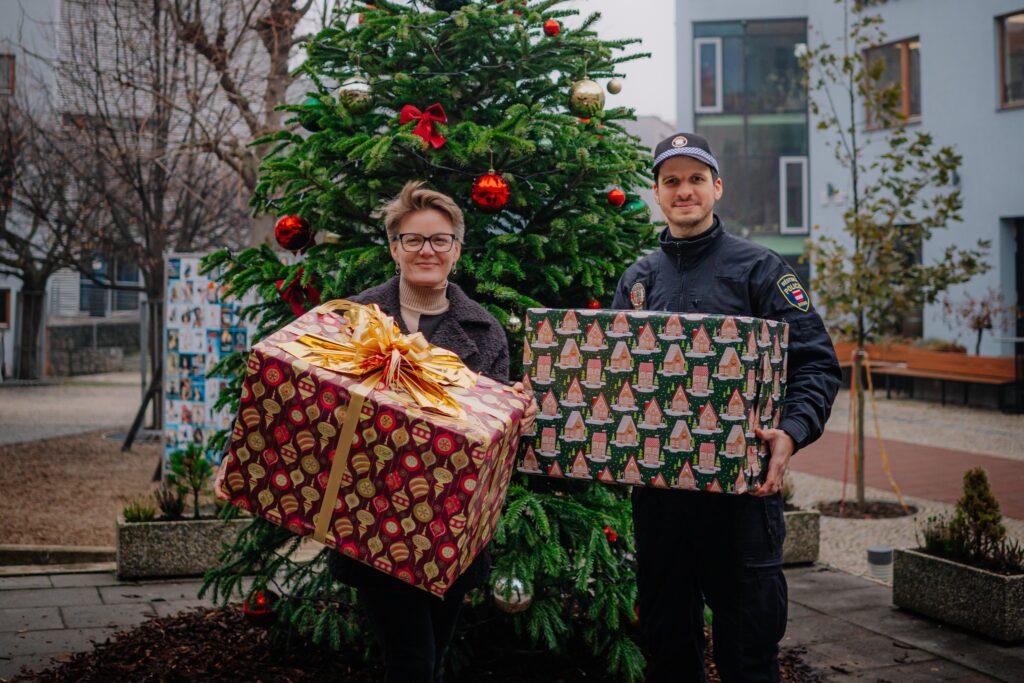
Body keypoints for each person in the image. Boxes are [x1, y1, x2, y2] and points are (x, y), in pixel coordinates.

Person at [215, 181, 537, 683]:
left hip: (449, 527)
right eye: (413, 239)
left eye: (439, 240)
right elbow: (312, 410)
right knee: (410, 661)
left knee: (432, 656)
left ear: (457, 249)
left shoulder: (485, 331)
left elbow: (487, 438)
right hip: (372, 517)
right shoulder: (353, 319)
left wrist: (516, 416)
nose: (426, 250)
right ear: (394, 247)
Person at [611, 133, 841, 683]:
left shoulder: (761, 270)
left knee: (750, 646)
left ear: (717, 186)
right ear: (657, 194)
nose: (683, 191)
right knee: (668, 643)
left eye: (695, 179)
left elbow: (815, 364)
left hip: (742, 496)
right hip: (660, 497)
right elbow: (616, 375)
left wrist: (791, 431)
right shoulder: (638, 280)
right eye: (671, 181)